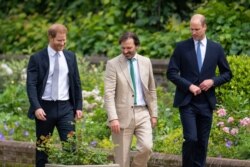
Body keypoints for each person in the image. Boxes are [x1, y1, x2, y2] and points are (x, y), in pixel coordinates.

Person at [167, 14, 232, 167]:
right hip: (187, 102)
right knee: (191, 138)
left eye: (197, 29)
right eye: (191, 29)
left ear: (204, 27)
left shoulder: (216, 48)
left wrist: (213, 81)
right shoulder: (181, 47)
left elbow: (227, 74)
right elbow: (171, 73)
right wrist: (189, 86)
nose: (193, 32)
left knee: (202, 142)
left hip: (206, 102)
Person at [26, 23, 83, 167]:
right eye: (59, 40)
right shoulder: (37, 58)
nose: (62, 43)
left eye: (64, 40)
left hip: (66, 108)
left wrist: (78, 106)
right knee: (43, 149)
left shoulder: (70, 57)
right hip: (45, 108)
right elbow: (31, 85)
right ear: (50, 38)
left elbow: (76, 82)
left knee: (70, 147)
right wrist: (36, 107)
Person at [104, 32, 158, 167]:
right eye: (123, 48)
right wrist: (113, 118)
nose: (125, 51)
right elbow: (109, 93)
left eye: (129, 48)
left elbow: (151, 89)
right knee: (122, 159)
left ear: (137, 46)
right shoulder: (113, 64)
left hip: (143, 112)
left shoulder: (146, 62)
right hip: (121, 116)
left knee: (147, 147)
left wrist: (154, 114)